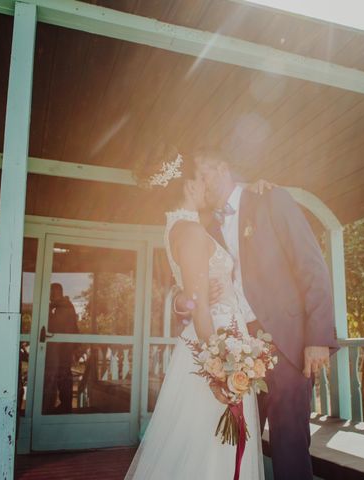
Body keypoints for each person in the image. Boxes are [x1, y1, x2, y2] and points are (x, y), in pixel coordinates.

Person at [177, 146, 340, 480]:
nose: (200, 184)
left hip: (287, 342)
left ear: (221, 167)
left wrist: (318, 337)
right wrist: (183, 301)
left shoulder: (270, 199)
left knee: (290, 445)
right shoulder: (205, 227)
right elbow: (195, 288)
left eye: (203, 175)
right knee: (237, 442)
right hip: (237, 348)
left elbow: (312, 267)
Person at [125, 144, 264, 479]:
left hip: (223, 337)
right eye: (202, 180)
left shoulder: (185, 227)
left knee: (213, 443)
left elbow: (192, 294)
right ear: (189, 186)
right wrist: (219, 369)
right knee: (210, 445)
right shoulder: (188, 232)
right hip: (214, 343)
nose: (208, 186)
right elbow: (200, 307)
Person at [43, 282, 79, 414]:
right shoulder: (59, 306)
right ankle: (58, 406)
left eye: (52, 292)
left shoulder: (64, 306)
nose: (50, 296)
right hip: (60, 347)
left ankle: (63, 407)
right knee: (58, 376)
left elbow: (57, 326)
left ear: (59, 293)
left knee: (60, 376)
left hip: (62, 347)